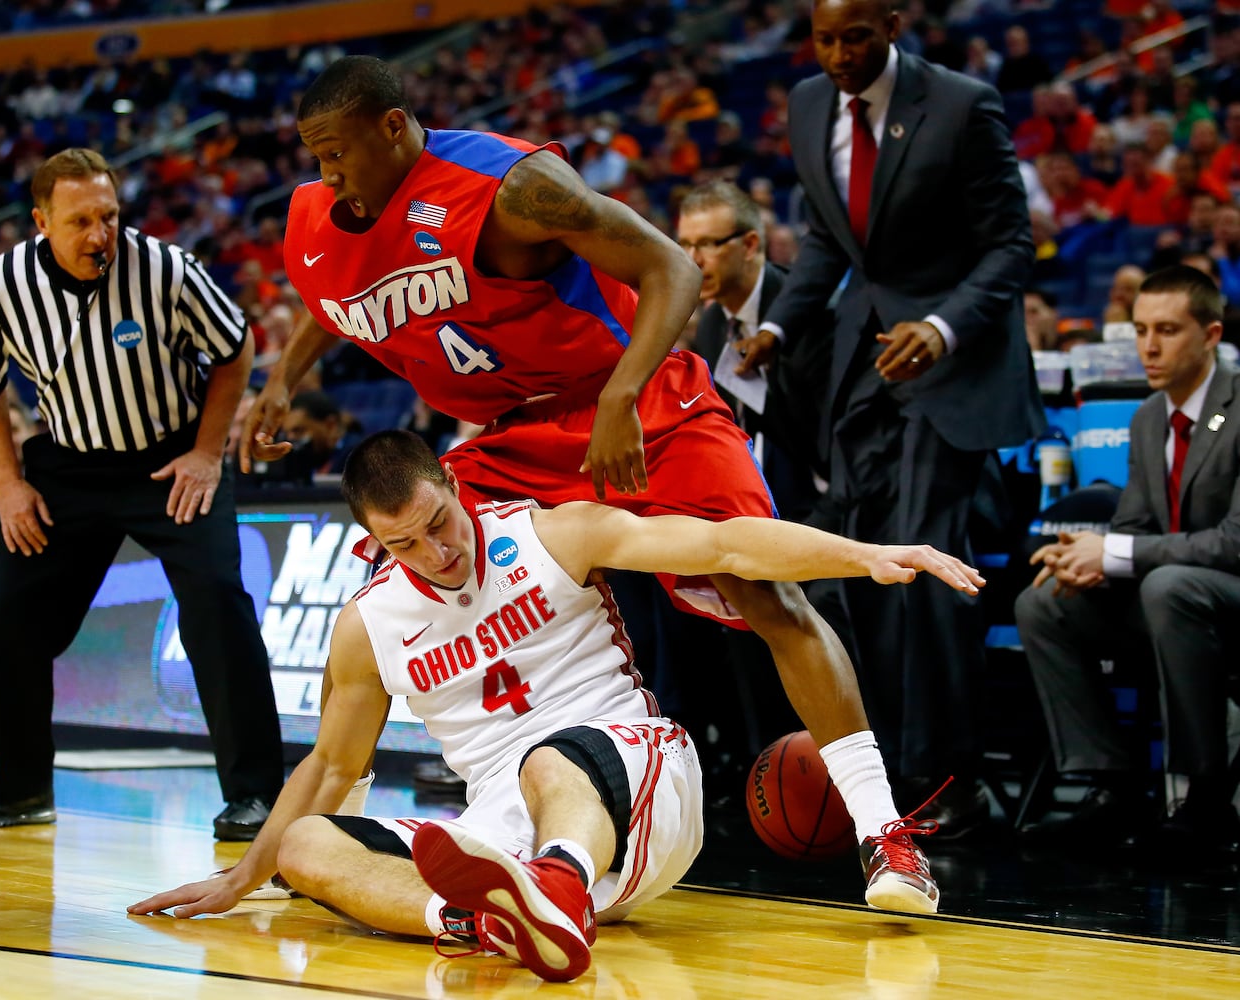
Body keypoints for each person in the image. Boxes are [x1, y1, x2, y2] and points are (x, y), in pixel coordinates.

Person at [241, 54, 945, 899]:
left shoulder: (510, 184)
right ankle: (339, 824)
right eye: (315, 158)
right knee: (389, 580)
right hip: (512, 431)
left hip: (637, 394)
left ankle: (884, 833)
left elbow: (674, 271)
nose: (328, 175)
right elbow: (335, 298)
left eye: (337, 154)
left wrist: (618, 395)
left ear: (393, 128)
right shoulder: (323, 215)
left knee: (759, 589)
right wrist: (281, 382)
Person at [131, 430, 987, 981]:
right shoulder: (368, 625)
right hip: (503, 827)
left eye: (440, 523)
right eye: (404, 543)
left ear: (455, 487)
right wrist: (244, 876)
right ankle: (482, 917)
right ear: (371, 542)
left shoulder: (552, 534)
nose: (435, 553)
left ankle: (554, 890)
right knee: (308, 845)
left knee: (549, 756)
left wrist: (863, 553)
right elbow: (330, 765)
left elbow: (722, 541)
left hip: (634, 770)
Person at [751, 0, 1044, 836]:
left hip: (952, 370)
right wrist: (779, 326)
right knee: (865, 568)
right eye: (823, 38)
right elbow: (822, 239)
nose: (838, 55)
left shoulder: (961, 103)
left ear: (891, 25)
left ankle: (948, 777)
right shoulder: (809, 105)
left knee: (924, 567)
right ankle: (881, 776)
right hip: (862, 369)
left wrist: (943, 325)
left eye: (855, 37)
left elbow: (1009, 246)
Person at [0, 148, 284, 839]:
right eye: (80, 221)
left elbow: (234, 350)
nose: (99, 234)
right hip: (67, 467)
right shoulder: (3, 286)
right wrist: (10, 485)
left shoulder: (164, 268)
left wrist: (205, 451)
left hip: (169, 458)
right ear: (42, 222)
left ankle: (257, 798)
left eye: (108, 215)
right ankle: (18, 789)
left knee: (219, 607)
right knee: (7, 622)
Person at [1015, 265, 1240, 854]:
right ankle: (1109, 786)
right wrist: (1085, 561)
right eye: (1140, 330)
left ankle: (1207, 796)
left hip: (1222, 601)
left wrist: (1115, 552)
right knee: (1044, 602)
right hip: (1170, 601)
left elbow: (1234, 543)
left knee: (1168, 585)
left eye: (1167, 329)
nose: (1149, 345)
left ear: (1211, 335)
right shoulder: (1147, 419)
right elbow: (1135, 529)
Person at [678, 180, 829, 524]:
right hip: (769, 502)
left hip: (835, 495)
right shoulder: (712, 324)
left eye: (706, 244)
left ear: (749, 245)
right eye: (684, 244)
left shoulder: (808, 313)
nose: (692, 260)